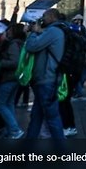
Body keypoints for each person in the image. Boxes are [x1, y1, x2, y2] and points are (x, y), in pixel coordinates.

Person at [24, 8, 65, 140]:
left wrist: (33, 33)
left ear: (52, 17)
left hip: (47, 79)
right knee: (37, 115)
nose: (42, 18)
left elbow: (31, 46)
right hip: (44, 80)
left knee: (52, 118)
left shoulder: (53, 31)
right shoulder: (54, 31)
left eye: (45, 16)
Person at [0, 23, 26, 138]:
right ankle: (11, 130)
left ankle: (14, 129)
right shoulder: (19, 43)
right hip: (15, 77)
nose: (7, 32)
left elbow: (14, 62)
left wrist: (0, 63)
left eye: (10, 30)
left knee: (0, 105)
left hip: (9, 77)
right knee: (9, 103)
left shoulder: (13, 44)